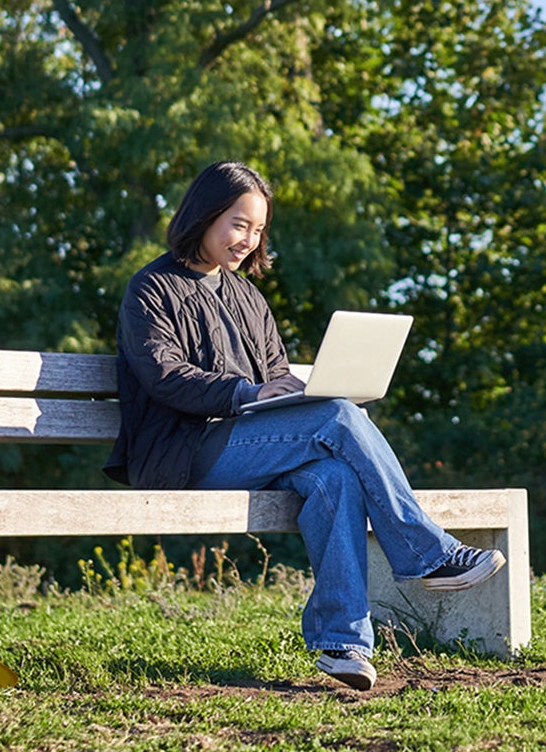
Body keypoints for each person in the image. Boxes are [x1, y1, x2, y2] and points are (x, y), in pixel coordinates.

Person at [103, 160, 505, 690]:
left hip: (253, 447)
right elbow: (165, 376)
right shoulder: (152, 289)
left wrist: (285, 392)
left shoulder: (247, 296)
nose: (248, 239)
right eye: (238, 224)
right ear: (204, 215)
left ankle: (343, 644)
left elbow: (275, 376)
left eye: (258, 229)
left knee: (335, 478)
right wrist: (248, 393)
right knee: (338, 418)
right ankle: (428, 554)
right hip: (185, 452)